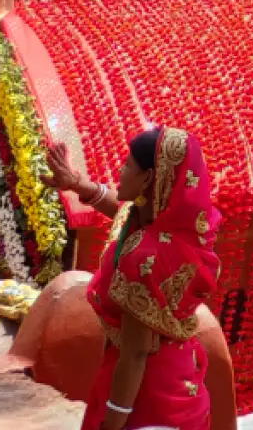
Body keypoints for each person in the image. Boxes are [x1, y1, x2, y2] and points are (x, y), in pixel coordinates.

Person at [45, 127, 221, 430]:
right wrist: (79, 185)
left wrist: (112, 424)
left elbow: (136, 353)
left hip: (146, 400)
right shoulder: (177, 230)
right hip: (179, 377)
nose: (120, 169)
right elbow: (125, 212)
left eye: (128, 165)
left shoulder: (144, 261)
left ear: (149, 179)